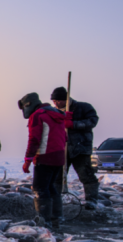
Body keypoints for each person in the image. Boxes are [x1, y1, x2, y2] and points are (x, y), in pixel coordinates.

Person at [18, 92, 67, 227]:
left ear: (28, 105)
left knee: (40, 188)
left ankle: (44, 220)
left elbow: (34, 139)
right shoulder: (57, 115)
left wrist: (28, 160)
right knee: (50, 186)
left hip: (45, 156)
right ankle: (57, 217)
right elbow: (65, 137)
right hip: (59, 156)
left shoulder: (38, 115)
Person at [50, 87, 100, 210]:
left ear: (66, 99)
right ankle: (55, 201)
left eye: (59, 100)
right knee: (57, 176)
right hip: (61, 148)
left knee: (86, 174)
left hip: (80, 147)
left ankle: (91, 200)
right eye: (54, 100)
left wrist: (73, 124)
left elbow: (92, 121)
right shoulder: (52, 112)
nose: (56, 103)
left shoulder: (83, 107)